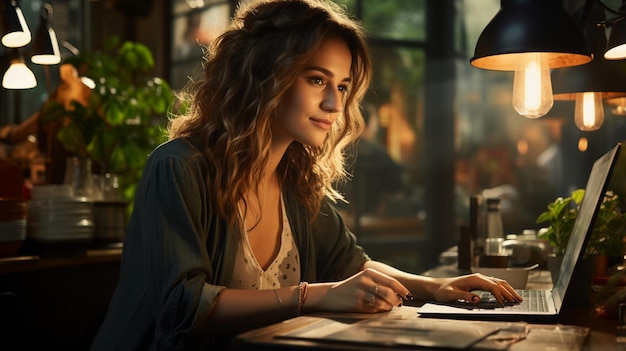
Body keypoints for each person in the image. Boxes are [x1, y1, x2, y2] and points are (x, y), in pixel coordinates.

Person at [91, 0, 522, 349]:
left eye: (342, 86)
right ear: (265, 75)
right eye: (317, 79)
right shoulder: (178, 167)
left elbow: (351, 264)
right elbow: (180, 307)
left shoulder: (296, 178)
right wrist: (312, 295)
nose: (335, 106)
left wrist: (436, 287)